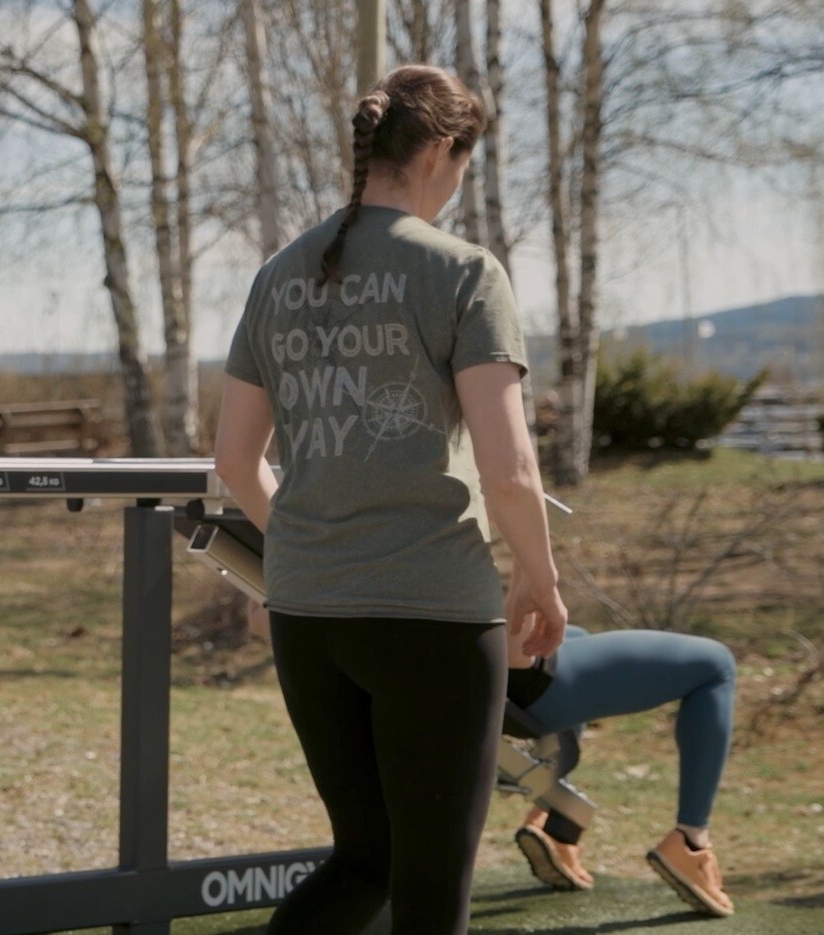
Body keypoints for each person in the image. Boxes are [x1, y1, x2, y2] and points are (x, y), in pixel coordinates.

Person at [212, 64, 569, 935]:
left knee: (364, 857)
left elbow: (232, 458)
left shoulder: (277, 274)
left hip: (309, 615)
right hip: (432, 614)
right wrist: (538, 575)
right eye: (461, 166)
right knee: (428, 884)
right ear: (444, 150)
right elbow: (510, 468)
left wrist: (302, 543)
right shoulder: (463, 273)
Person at [507, 624, 738, 917]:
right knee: (716, 664)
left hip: (458, 680)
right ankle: (692, 841)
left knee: (574, 634)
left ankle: (556, 820)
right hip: (514, 681)